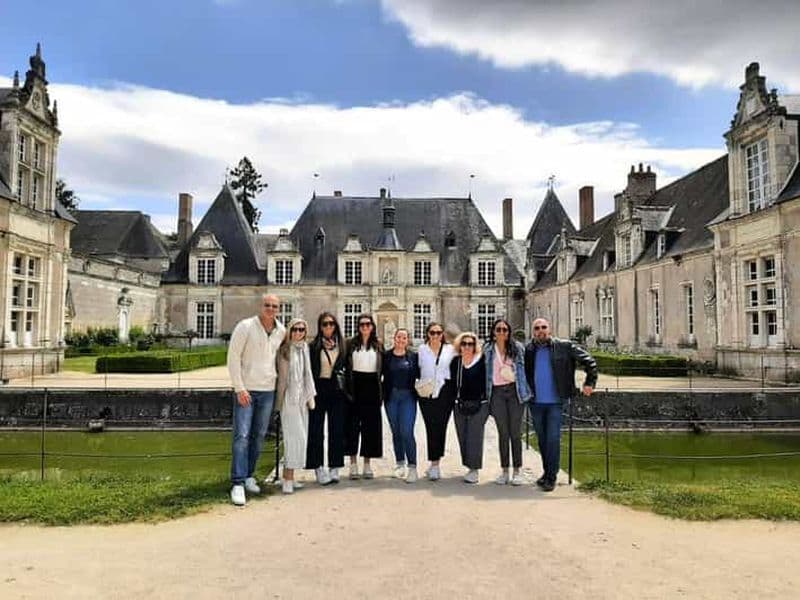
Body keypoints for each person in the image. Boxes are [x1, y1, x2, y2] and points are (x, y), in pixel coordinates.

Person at [524, 317, 598, 492]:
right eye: (537, 328)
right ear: (533, 331)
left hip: (556, 402)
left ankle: (552, 477)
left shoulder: (564, 346)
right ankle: (547, 472)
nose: (540, 330)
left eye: (544, 327)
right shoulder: (529, 350)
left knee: (553, 439)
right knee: (542, 440)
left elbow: (589, 361)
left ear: (549, 329)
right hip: (535, 402)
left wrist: (589, 383)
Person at [227, 294, 285, 506]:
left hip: (268, 390)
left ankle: (249, 474)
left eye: (274, 306)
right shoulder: (245, 326)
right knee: (241, 435)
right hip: (247, 391)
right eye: (267, 305)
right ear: (261, 306)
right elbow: (233, 357)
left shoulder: (281, 331)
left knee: (259, 435)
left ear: (279, 309)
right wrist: (239, 388)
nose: (270, 309)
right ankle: (238, 482)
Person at [484, 318, 531, 486]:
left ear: (509, 332)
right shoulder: (488, 349)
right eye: (498, 329)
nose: (502, 332)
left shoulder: (517, 347)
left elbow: (527, 368)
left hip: (515, 392)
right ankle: (504, 470)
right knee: (503, 433)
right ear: (493, 332)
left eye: (505, 329)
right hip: (496, 393)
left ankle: (517, 470)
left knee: (515, 433)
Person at [306, 312, 347, 485]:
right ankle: (318, 467)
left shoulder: (343, 346)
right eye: (325, 324)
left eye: (331, 324)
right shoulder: (314, 347)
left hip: (336, 390)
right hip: (319, 389)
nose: (328, 327)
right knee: (316, 430)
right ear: (320, 327)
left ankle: (335, 466)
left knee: (336, 429)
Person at [276, 318, 316, 494]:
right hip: (289, 399)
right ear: (289, 331)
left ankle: (290, 476)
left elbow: (308, 374)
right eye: (295, 329)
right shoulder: (283, 350)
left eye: (302, 330)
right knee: (294, 437)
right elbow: (280, 378)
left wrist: (310, 397)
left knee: (301, 438)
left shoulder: (304, 348)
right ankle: (288, 480)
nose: (298, 333)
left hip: (301, 399)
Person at [344, 313, 383, 479]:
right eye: (362, 325)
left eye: (368, 324)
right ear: (358, 327)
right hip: (355, 385)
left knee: (370, 427)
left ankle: (367, 464)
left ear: (372, 327)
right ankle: (353, 464)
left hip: (372, 386)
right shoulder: (350, 344)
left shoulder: (378, 345)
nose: (365, 327)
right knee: (352, 426)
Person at [416, 321, 455, 481]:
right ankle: (434, 463)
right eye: (432, 333)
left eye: (439, 333)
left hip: (445, 392)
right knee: (430, 427)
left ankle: (435, 464)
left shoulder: (450, 350)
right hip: (426, 392)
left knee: (441, 426)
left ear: (442, 335)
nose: (436, 336)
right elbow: (417, 369)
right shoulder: (421, 350)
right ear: (428, 334)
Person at [449, 331, 489, 484]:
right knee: (463, 436)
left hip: (480, 404)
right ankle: (469, 466)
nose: (467, 347)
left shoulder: (482, 360)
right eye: (464, 344)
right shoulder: (456, 362)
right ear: (459, 346)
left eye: (470, 344)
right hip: (460, 404)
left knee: (475, 437)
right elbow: (451, 383)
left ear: (475, 346)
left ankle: (474, 469)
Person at [382, 328, 420, 483]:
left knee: (407, 431)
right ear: (394, 338)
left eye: (404, 337)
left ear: (407, 340)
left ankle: (412, 466)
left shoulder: (413, 357)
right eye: (399, 337)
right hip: (391, 397)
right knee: (396, 431)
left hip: (408, 397)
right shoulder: (386, 356)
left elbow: (420, 375)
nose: (401, 340)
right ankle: (400, 464)